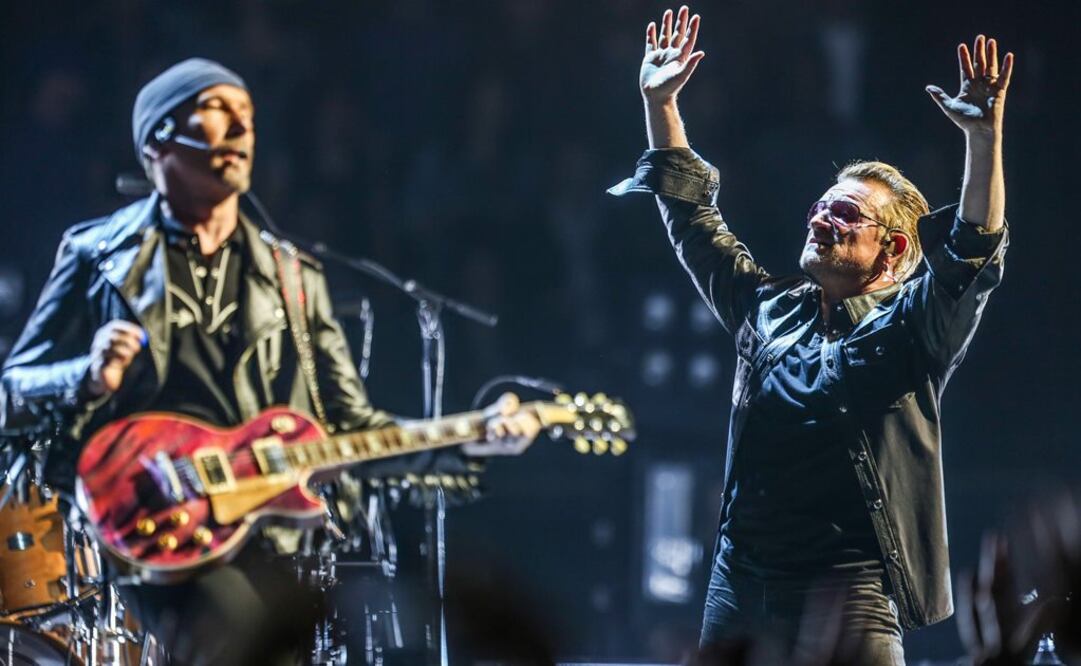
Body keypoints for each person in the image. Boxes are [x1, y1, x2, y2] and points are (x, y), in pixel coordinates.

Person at [0, 58, 540, 664]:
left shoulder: (292, 277)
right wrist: (86, 375)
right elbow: (11, 390)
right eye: (217, 112)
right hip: (141, 522)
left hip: (266, 532)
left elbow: (351, 429)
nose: (238, 131)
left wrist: (473, 438)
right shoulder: (96, 254)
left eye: (247, 118)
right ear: (157, 141)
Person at [609, 7, 1013, 663]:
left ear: (893, 248)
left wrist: (983, 140)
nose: (822, 218)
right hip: (740, 585)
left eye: (846, 213)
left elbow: (970, 254)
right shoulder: (766, 311)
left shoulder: (909, 328)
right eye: (818, 206)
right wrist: (661, 106)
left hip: (849, 592)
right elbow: (692, 217)